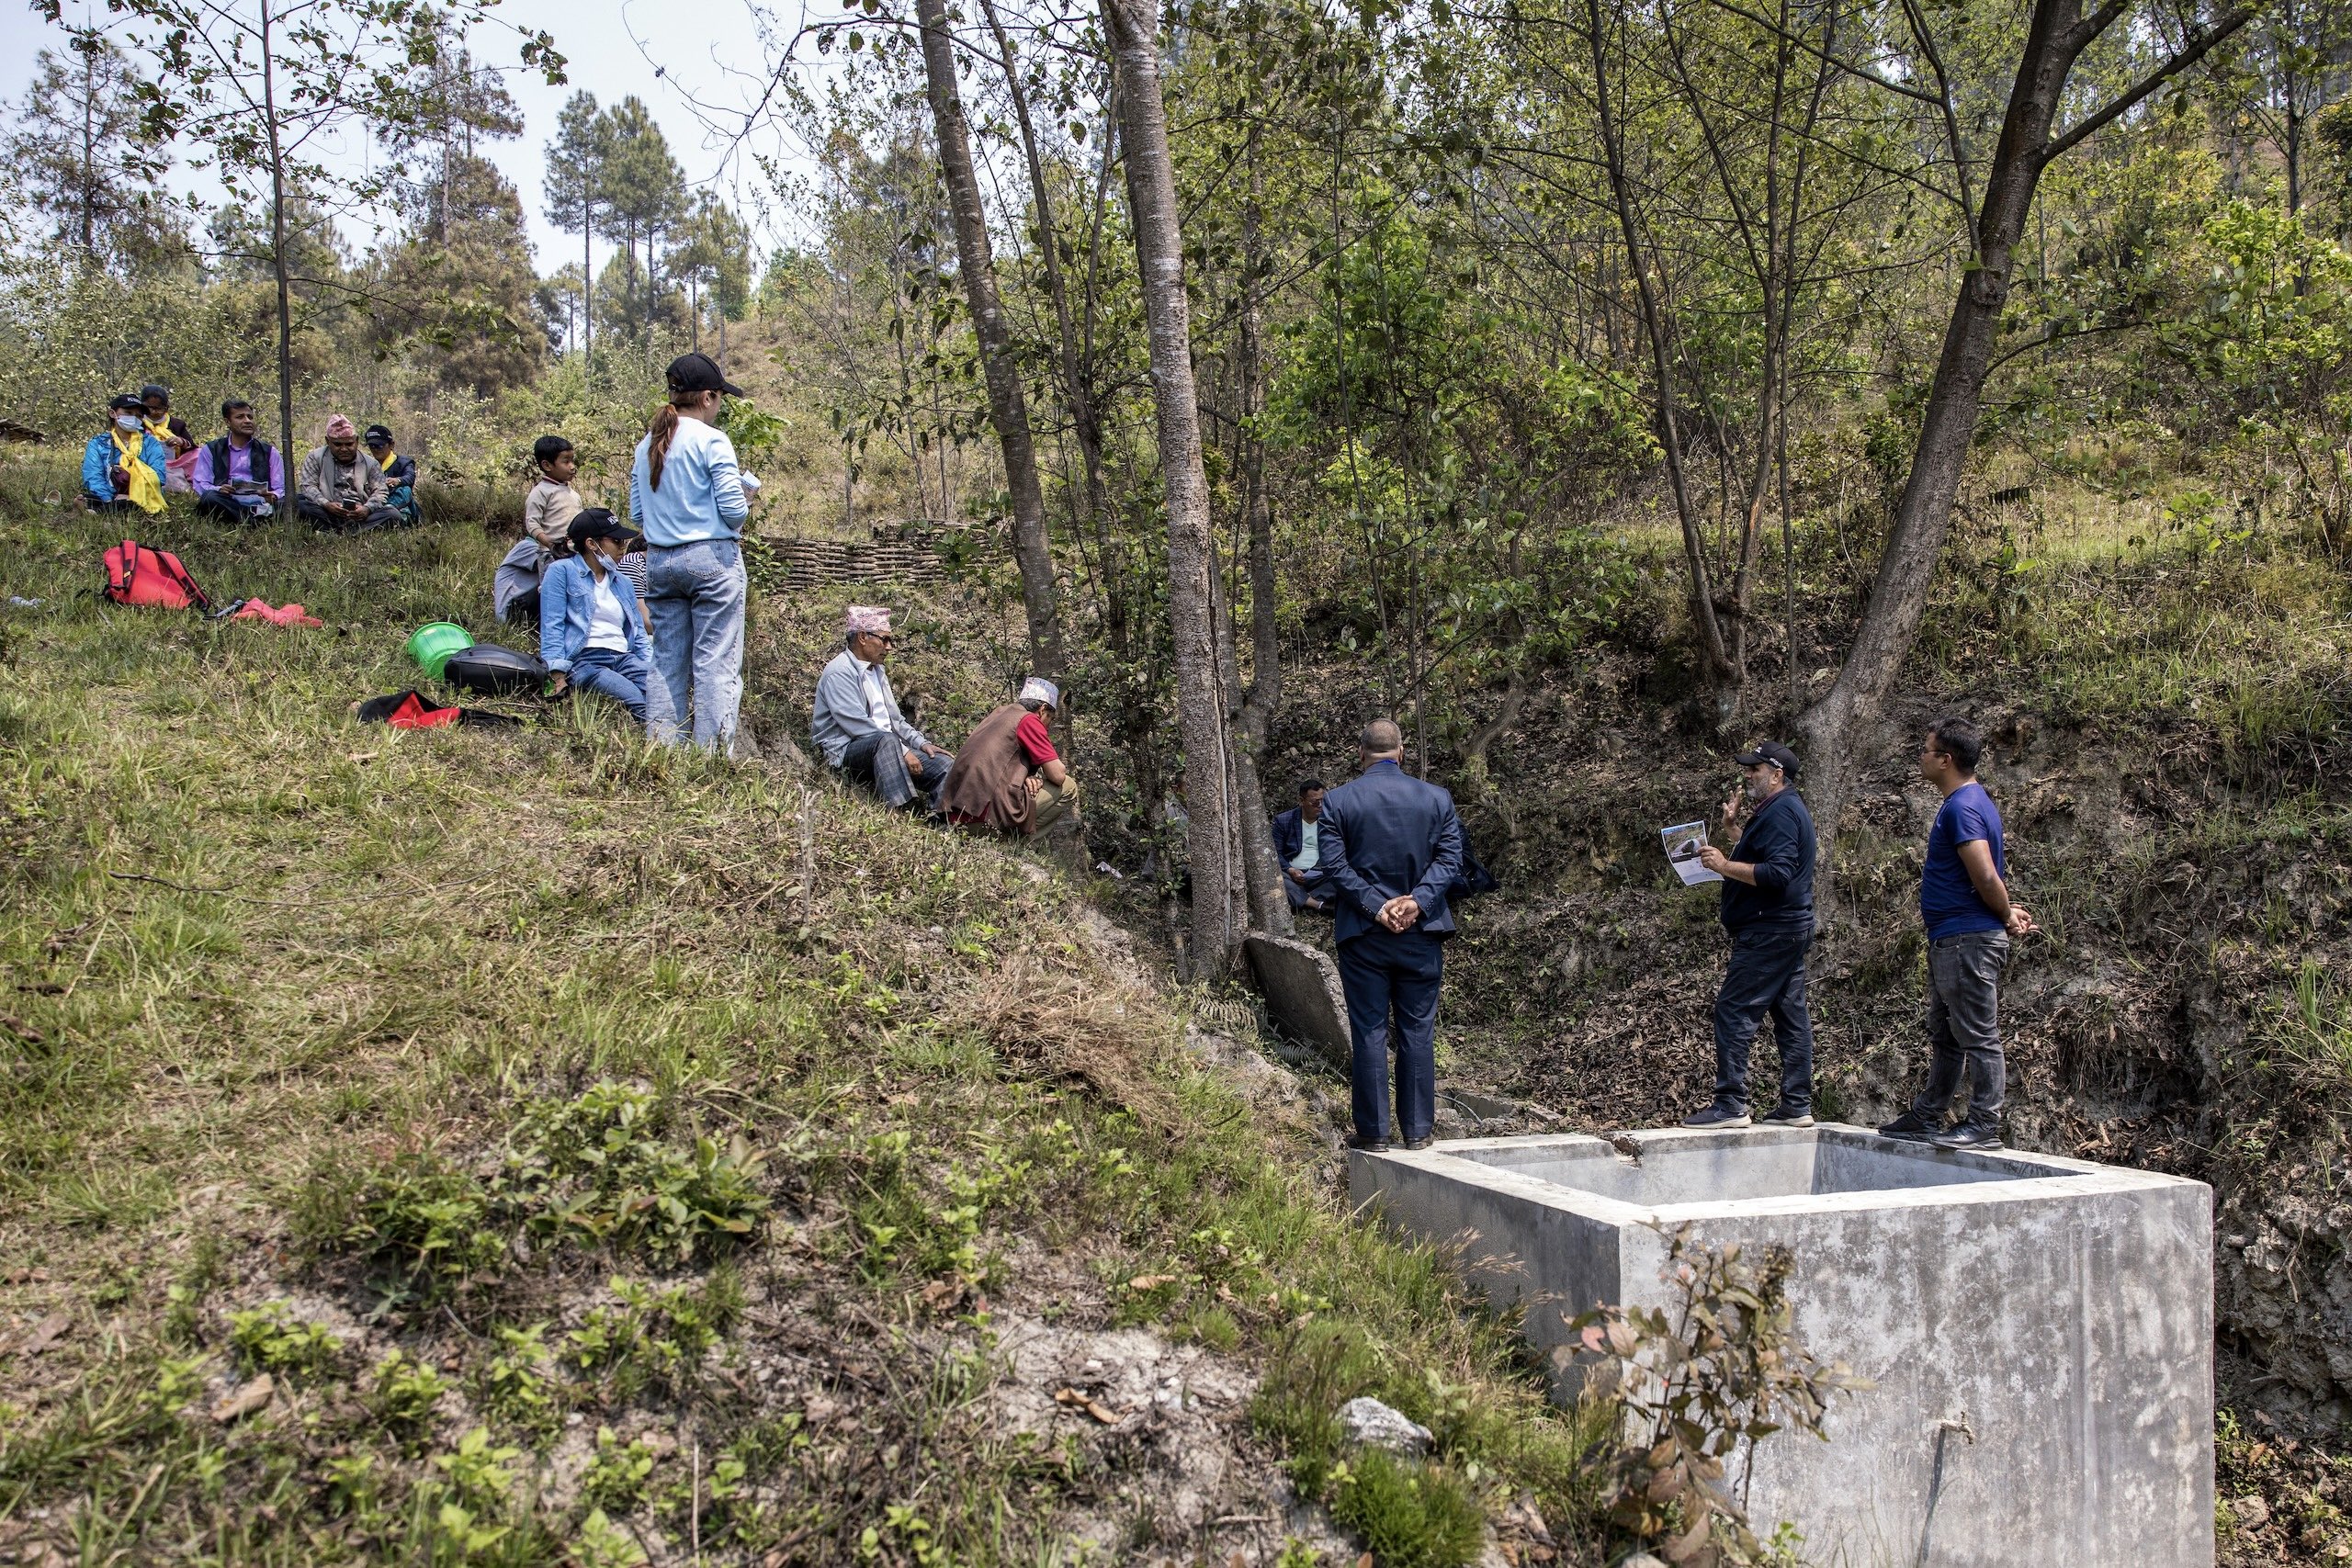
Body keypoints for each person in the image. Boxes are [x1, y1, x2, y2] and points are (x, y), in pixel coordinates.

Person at [1879, 718, 2037, 1152]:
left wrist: (2004, 914)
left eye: (1926, 751)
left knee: (1977, 1033)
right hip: (1954, 937)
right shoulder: (1969, 802)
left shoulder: (1962, 807)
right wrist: (2004, 910)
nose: (1921, 756)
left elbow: (1985, 873)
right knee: (1947, 1033)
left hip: (1968, 939)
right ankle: (1929, 1114)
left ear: (1945, 760)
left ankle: (1985, 1123)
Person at [1317, 720, 1466, 1153]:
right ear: (1401, 752)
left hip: (1364, 933)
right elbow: (1451, 858)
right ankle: (1419, 1131)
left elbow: (1334, 866)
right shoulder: (1436, 798)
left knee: (1369, 1029)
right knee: (1418, 1030)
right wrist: (1417, 901)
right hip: (1421, 930)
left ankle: (1374, 1134)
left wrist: (1376, 906)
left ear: (1361, 753)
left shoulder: (1339, 801)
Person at [1682, 740, 1818, 1131]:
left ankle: (1731, 1105)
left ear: (1777, 776)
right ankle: (1796, 1104)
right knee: (1791, 1017)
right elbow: (1768, 855)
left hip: (1770, 931)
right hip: (1785, 929)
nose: (1747, 774)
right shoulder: (1780, 810)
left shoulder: (1781, 813)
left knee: (1734, 1010)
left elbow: (1778, 874)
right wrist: (1733, 831)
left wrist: (1724, 865)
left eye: (1755, 769)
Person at [633, 353, 754, 751]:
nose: (719, 405)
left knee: (666, 660)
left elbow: (637, 511)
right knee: (715, 664)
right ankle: (712, 759)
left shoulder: (646, 445)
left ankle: (663, 752)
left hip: (659, 563)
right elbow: (735, 513)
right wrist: (745, 496)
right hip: (711, 561)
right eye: (720, 397)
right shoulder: (712, 440)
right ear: (706, 397)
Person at [811, 605, 953, 811]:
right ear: (862, 637)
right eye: (884, 639)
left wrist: (921, 744)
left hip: (888, 748)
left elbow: (895, 720)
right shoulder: (839, 672)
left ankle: (941, 821)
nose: (889, 647)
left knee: (943, 764)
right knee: (885, 740)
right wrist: (903, 751)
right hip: (847, 751)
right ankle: (901, 810)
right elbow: (857, 725)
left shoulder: (877, 671)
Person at [539, 510, 653, 724]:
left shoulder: (622, 582)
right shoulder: (561, 571)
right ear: (592, 544)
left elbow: (637, 631)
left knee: (663, 694)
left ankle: (682, 749)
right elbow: (552, 625)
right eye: (617, 540)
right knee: (637, 700)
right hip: (586, 660)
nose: (623, 546)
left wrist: (650, 666)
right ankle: (660, 750)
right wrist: (557, 673)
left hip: (624, 657)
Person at [943, 677, 1080, 836]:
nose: (1048, 725)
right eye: (1050, 718)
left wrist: (1025, 776)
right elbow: (1058, 775)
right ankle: (1020, 844)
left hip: (955, 815)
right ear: (1042, 709)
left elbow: (996, 760)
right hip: (983, 819)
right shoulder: (1029, 720)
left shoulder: (999, 713)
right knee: (1068, 786)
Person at [298, 415, 401, 533]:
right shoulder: (315, 458)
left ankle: (342, 532)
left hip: (360, 515)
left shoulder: (370, 463)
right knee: (299, 506)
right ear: (328, 441)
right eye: (337, 445)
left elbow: (381, 491)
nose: (343, 449)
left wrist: (367, 508)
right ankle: (352, 532)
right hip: (326, 512)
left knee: (393, 514)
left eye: (349, 444)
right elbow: (307, 486)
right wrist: (326, 504)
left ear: (356, 441)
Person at [192, 400, 284, 524]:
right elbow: (200, 483)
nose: (247, 421)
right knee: (209, 498)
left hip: (261, 502)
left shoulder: (269, 451)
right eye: (240, 417)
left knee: (299, 504)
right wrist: (219, 489)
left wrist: (272, 496)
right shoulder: (211, 449)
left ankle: (247, 518)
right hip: (227, 501)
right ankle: (253, 519)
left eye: (250, 417)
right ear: (227, 422)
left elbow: (280, 488)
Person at [82, 395, 170, 514]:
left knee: (132, 506)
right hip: (109, 497)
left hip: (143, 497)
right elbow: (94, 477)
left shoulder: (150, 443)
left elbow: (158, 476)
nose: (134, 418)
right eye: (128, 413)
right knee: (88, 498)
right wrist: (108, 499)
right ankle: (105, 510)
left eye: (139, 416)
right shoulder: (98, 443)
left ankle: (97, 513)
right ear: (112, 413)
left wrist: (131, 496)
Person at [1271, 779, 1333, 913]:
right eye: (1315, 802)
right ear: (1301, 800)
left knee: (1344, 875)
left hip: (1320, 875)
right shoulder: (1284, 821)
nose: (1320, 805)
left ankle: (1302, 900)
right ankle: (1317, 904)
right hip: (1292, 874)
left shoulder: (1330, 820)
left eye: (1323, 801)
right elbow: (1275, 853)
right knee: (1276, 879)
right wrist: (1290, 869)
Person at [525, 435, 582, 553]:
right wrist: (551, 545)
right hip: (550, 555)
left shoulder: (574, 495)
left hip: (575, 553)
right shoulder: (540, 492)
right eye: (566, 462)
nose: (572, 466)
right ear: (547, 465)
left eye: (572, 460)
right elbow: (532, 524)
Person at [140, 384, 199, 493]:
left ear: (166, 408)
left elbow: (191, 446)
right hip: (148, 461)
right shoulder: (138, 423)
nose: (153, 412)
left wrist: (181, 442)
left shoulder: (176, 424)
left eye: (158, 409)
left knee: (199, 454)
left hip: (175, 462)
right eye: (150, 408)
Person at [364, 424, 420, 525]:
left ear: (391, 445)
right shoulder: (367, 465)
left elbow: (410, 477)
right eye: (372, 446)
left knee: (405, 490)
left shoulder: (404, 463)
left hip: (402, 507)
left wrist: (398, 481)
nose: (375, 450)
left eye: (380, 446)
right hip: (376, 503)